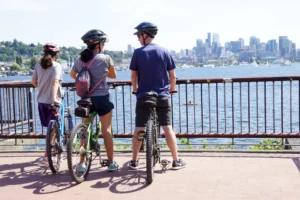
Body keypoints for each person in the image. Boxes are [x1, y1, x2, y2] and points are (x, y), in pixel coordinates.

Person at [129, 22, 186, 170]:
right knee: (167, 128)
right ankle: (176, 160)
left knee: (139, 129)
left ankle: (134, 161)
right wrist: (171, 90)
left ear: (144, 35)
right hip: (162, 95)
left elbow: (134, 77)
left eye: (138, 35)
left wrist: (135, 90)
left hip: (143, 95)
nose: (137, 39)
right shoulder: (165, 51)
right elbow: (172, 76)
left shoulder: (138, 53)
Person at [70, 29, 118, 172]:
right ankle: (111, 163)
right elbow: (113, 75)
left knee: (84, 129)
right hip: (102, 97)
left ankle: (82, 163)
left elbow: (73, 75)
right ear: (99, 45)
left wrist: (86, 80)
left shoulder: (80, 60)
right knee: (106, 130)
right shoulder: (106, 58)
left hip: (86, 98)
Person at [31, 42, 62, 164]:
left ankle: (50, 152)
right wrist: (54, 99)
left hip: (41, 101)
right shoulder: (56, 66)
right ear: (56, 54)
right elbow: (55, 82)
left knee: (49, 129)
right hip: (51, 101)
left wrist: (42, 88)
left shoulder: (38, 65)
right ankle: (47, 155)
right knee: (53, 130)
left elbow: (33, 81)